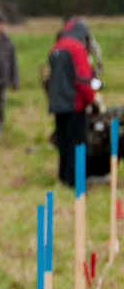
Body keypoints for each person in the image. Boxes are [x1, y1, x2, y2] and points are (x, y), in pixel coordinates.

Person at [48, 20, 95, 187]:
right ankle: (75, 181)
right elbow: (83, 79)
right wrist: (91, 99)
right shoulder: (76, 47)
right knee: (77, 143)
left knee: (63, 142)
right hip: (75, 104)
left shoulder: (56, 47)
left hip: (58, 104)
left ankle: (64, 177)